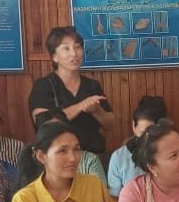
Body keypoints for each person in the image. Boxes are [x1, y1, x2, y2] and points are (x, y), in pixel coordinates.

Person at [28, 26, 115, 157]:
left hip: (94, 156)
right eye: (66, 48)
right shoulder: (43, 85)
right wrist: (81, 106)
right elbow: (43, 124)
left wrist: (97, 110)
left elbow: (111, 125)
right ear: (54, 57)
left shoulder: (92, 85)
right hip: (58, 157)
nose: (74, 53)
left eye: (77, 47)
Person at [24, 110, 107, 189]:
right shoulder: (26, 195)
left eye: (76, 149)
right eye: (62, 151)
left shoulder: (93, 182)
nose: (72, 158)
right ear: (41, 156)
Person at [108, 96, 167, 198]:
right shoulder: (119, 157)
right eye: (143, 133)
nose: (147, 138)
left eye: (153, 133)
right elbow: (114, 197)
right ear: (134, 126)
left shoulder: (171, 153)